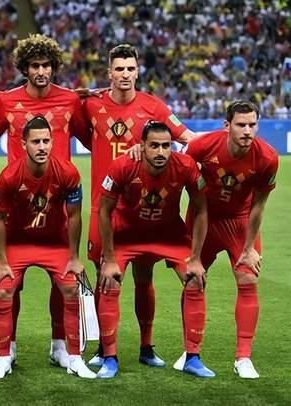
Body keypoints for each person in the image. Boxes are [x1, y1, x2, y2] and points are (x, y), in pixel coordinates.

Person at [81, 43, 195, 367]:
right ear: (109, 73)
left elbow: (187, 137)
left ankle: (147, 347)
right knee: (104, 275)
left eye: (130, 68)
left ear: (137, 71)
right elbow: (71, 125)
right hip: (104, 206)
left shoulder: (153, 106)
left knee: (145, 276)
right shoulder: (91, 105)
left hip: (141, 208)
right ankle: (104, 349)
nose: (125, 74)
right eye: (119, 69)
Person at [0, 33, 88, 367]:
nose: (41, 71)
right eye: (34, 65)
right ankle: (9, 346)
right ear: (24, 68)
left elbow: (89, 137)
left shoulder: (70, 100)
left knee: (61, 280)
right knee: (11, 283)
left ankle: (60, 344)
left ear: (54, 67)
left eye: (46, 65)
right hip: (16, 203)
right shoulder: (6, 101)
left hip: (59, 201)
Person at [97, 121, 213, 379]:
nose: (161, 152)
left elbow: (201, 209)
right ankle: (109, 358)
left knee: (195, 280)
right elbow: (104, 211)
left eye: (166, 146)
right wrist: (109, 258)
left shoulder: (185, 167)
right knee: (110, 281)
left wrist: (196, 258)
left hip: (168, 233)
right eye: (154, 146)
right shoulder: (123, 166)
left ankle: (192, 358)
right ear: (142, 146)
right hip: (127, 233)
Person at [173, 100, 279, 378]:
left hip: (240, 221)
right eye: (241, 125)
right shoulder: (202, 146)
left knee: (248, 278)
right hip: (202, 219)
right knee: (193, 280)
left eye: (252, 125)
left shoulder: (267, 157)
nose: (247, 131)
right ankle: (190, 352)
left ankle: (243, 358)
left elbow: (258, 206)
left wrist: (249, 248)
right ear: (227, 125)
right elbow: (177, 174)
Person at [0, 116, 96, 379]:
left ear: (52, 142)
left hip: (54, 243)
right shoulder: (9, 176)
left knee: (71, 287)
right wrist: (1, 260)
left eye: (46, 141)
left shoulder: (67, 172)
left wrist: (74, 257)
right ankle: (4, 355)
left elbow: (74, 216)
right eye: (35, 141)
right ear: (23, 144)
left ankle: (71, 355)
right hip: (18, 243)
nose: (42, 147)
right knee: (4, 290)